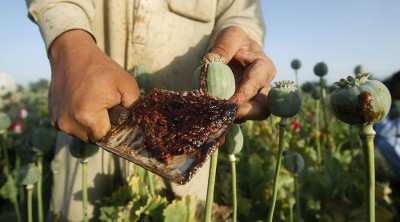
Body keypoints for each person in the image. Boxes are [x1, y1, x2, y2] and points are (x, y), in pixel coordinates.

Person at [26, 0, 276, 220]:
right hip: (86, 127)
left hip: (188, 149)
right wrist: (69, 46)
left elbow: (241, 12)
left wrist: (243, 38)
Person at [374, 71, 400, 179]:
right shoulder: (382, 96)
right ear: (398, 84)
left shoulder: (395, 99)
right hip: (378, 137)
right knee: (386, 143)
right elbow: (382, 130)